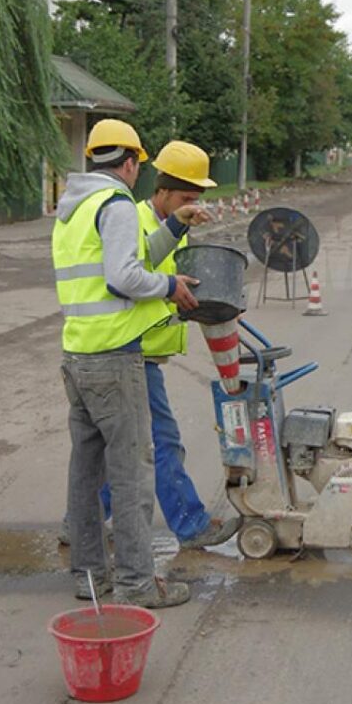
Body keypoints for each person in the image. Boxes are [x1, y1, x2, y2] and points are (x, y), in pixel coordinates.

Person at [52, 119, 202, 608]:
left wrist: (176, 225)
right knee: (132, 475)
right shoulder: (115, 203)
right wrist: (169, 286)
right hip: (115, 358)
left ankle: (90, 578)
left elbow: (131, 258)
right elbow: (123, 276)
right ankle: (137, 584)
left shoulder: (74, 207)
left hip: (79, 354)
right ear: (132, 162)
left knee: (86, 475)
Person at [97, 140, 239, 550]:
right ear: (161, 190)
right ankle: (192, 526)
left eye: (197, 199)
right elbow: (134, 281)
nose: (192, 206)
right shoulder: (135, 222)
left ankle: (82, 520)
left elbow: (177, 284)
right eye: (185, 198)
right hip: (131, 349)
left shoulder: (177, 229)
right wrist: (170, 290)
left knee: (122, 446)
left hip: (145, 351)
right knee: (163, 441)